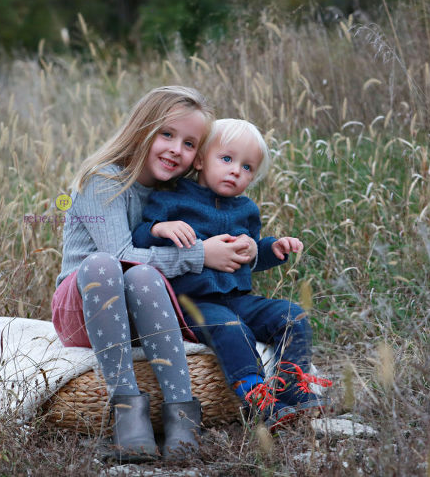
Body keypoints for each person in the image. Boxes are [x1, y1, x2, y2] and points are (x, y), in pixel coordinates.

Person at [50, 87, 255, 462]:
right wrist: (200, 255)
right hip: (85, 305)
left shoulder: (174, 194)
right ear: (142, 129)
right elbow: (121, 257)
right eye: (167, 134)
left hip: (143, 309)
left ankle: (182, 414)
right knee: (105, 264)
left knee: (144, 277)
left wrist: (250, 248)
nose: (176, 149)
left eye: (189, 143)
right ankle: (127, 412)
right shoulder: (103, 181)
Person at [132, 118, 331, 431]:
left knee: (293, 316)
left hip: (238, 298)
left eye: (247, 167)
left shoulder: (245, 210)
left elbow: (249, 257)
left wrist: (271, 248)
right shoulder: (170, 199)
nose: (236, 171)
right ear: (200, 160)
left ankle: (291, 386)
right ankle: (257, 398)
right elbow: (140, 237)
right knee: (232, 328)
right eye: (226, 159)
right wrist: (159, 228)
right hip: (193, 302)